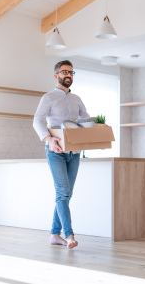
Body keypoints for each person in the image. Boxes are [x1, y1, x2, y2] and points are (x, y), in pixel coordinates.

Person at [33, 60, 89, 249]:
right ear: (56, 75)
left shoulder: (77, 99)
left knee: (65, 194)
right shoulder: (48, 98)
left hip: (74, 152)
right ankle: (69, 235)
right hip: (56, 151)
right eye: (65, 72)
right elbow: (37, 120)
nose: (68, 75)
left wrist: (96, 126)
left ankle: (55, 234)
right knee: (63, 193)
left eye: (72, 73)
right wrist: (48, 139)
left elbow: (86, 120)